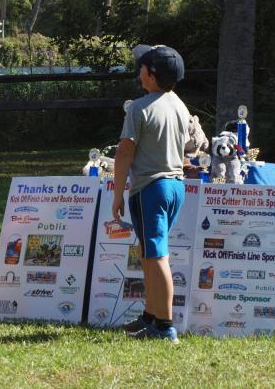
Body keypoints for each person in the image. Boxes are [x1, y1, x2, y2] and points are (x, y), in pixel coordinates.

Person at [112, 44, 189, 344]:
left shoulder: (139, 107)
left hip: (151, 189)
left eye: (142, 66)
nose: (138, 69)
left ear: (153, 75)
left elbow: (124, 152)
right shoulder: (180, 105)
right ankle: (150, 315)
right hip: (175, 187)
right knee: (148, 253)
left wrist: (117, 194)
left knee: (157, 257)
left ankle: (165, 326)